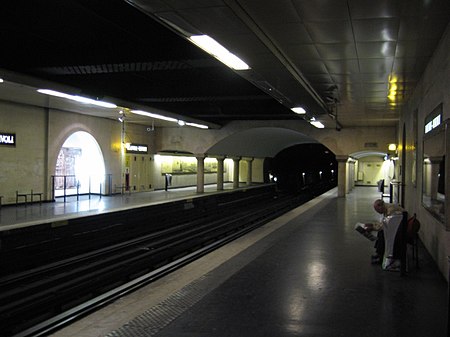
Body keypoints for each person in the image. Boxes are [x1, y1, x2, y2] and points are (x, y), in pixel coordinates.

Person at [365, 199, 404, 269]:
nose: (378, 212)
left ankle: (380, 255)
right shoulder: (386, 208)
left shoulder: (390, 210)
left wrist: (373, 227)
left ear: (381, 206)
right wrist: (373, 225)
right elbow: (385, 223)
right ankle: (379, 253)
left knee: (382, 233)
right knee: (381, 232)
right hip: (398, 227)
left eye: (377, 210)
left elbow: (385, 225)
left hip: (400, 230)